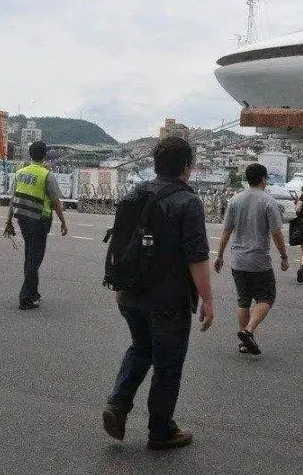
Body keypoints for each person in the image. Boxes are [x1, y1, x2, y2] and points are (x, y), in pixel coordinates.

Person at [103, 136, 213, 450]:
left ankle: (118, 403)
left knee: (141, 348)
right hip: (168, 300)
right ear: (188, 166)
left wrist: (120, 284)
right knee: (168, 364)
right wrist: (208, 299)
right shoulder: (188, 202)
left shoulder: (135, 194)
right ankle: (161, 430)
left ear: (156, 164)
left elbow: (121, 244)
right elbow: (196, 256)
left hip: (131, 293)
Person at [213, 163, 288, 355]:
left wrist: (220, 256)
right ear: (263, 179)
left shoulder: (235, 200)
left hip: (238, 261)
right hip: (259, 261)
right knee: (267, 298)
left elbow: (226, 231)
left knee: (243, 301)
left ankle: (246, 342)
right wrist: (283, 256)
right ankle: (248, 331)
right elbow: (276, 233)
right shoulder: (268, 201)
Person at [4, 141, 68, 310]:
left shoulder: (20, 173)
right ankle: (25, 298)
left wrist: (9, 221)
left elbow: (13, 199)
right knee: (34, 259)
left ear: (30, 155)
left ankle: (34, 293)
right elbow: (56, 202)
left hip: (22, 219)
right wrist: (63, 222)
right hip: (39, 221)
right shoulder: (46, 175)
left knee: (30, 255)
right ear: (45, 155)